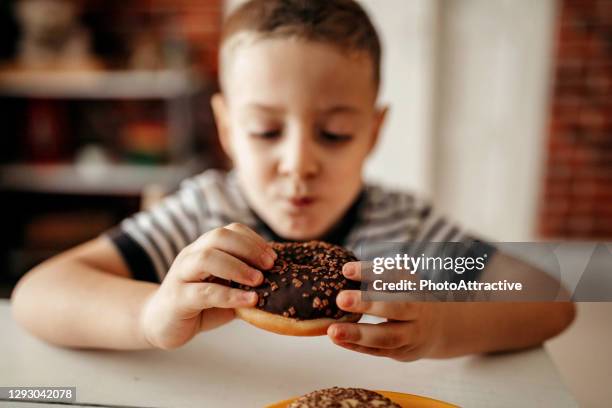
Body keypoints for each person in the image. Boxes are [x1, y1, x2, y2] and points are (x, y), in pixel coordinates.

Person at [11, 0, 575, 360]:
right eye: (264, 131)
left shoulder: (404, 231)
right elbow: (38, 294)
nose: (299, 163)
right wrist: (151, 315)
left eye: (333, 134)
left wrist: (439, 328)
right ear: (227, 128)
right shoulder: (203, 220)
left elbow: (549, 298)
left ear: (374, 131)